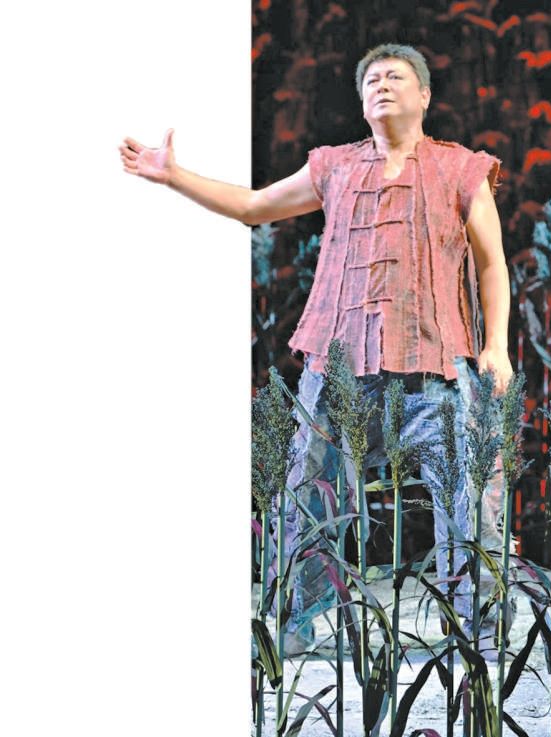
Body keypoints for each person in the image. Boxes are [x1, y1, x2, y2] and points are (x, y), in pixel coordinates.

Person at [121, 43, 512, 655]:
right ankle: (293, 626)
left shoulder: (459, 168)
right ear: (361, 100)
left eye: (396, 77)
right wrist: (173, 175)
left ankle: (478, 630)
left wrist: (498, 346)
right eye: (372, 79)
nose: (382, 85)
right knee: (304, 491)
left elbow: (491, 263)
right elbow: (254, 207)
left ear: (425, 95)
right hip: (338, 372)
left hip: (436, 368)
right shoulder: (335, 166)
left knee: (471, 489)